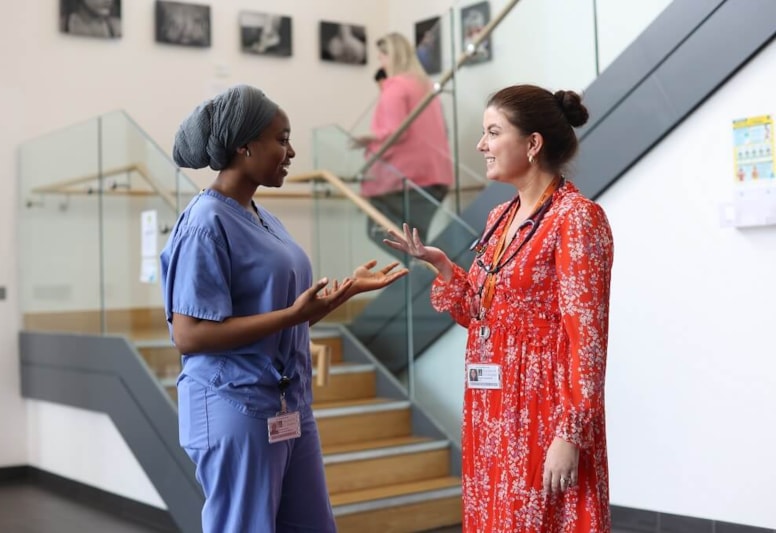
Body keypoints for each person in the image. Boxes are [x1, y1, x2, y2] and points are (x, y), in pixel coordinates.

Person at [160, 84, 407, 532]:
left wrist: (344, 292)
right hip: (236, 406)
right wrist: (291, 316)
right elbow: (189, 334)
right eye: (282, 139)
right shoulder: (204, 223)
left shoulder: (262, 216)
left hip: (287, 404)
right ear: (245, 145)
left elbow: (280, 315)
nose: (291, 152)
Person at [384, 84, 614, 532]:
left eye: (492, 132)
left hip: (544, 409)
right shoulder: (499, 219)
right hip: (492, 409)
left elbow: (587, 341)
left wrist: (570, 432)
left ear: (532, 144)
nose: (481, 145)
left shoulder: (576, 218)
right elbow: (479, 311)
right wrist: (444, 266)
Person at [352, 32, 454, 258]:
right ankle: (433, 285)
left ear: (392, 56)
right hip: (436, 176)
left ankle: (434, 282)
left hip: (406, 178)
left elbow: (395, 133)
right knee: (417, 244)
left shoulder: (396, 88)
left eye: (382, 57)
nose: (381, 62)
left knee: (383, 233)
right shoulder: (426, 87)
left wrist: (368, 138)